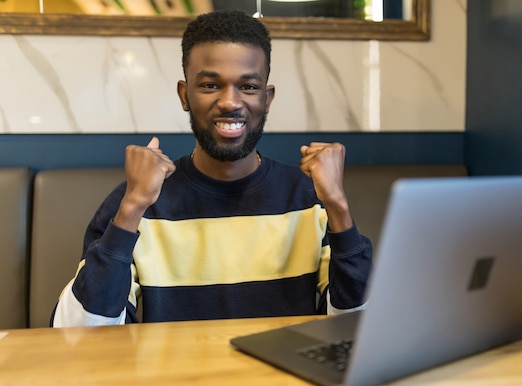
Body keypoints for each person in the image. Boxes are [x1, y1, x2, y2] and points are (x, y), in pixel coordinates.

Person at [51, 10, 372, 327]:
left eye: (247, 87)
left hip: (284, 379)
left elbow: (358, 328)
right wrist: (133, 207)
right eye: (209, 85)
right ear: (184, 94)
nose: (231, 102)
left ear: (267, 98)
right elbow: (75, 337)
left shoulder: (311, 198)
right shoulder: (136, 203)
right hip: (171, 380)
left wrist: (338, 206)